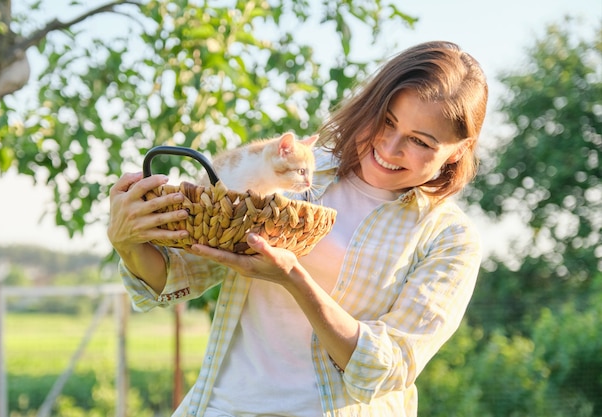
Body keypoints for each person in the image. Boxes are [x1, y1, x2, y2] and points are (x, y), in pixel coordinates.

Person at [107, 40, 488, 417]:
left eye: (420, 141)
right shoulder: (294, 171)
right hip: (223, 406)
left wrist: (294, 278)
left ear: (457, 151)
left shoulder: (449, 238)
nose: (389, 148)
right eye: (387, 121)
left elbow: (386, 369)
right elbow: (181, 271)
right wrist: (127, 241)